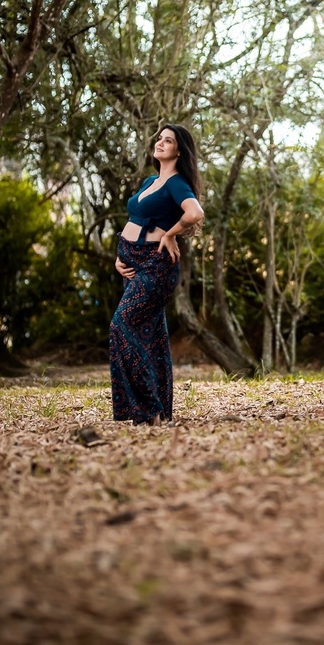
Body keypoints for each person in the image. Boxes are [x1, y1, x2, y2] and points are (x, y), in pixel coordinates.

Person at [110, 123, 205, 425]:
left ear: (179, 151)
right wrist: (120, 257)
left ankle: (149, 408)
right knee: (151, 338)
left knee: (121, 324)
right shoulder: (151, 181)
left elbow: (195, 213)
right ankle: (157, 413)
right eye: (160, 138)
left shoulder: (176, 183)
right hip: (133, 264)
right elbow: (135, 218)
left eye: (169, 140)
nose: (160, 143)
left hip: (156, 266)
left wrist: (170, 233)